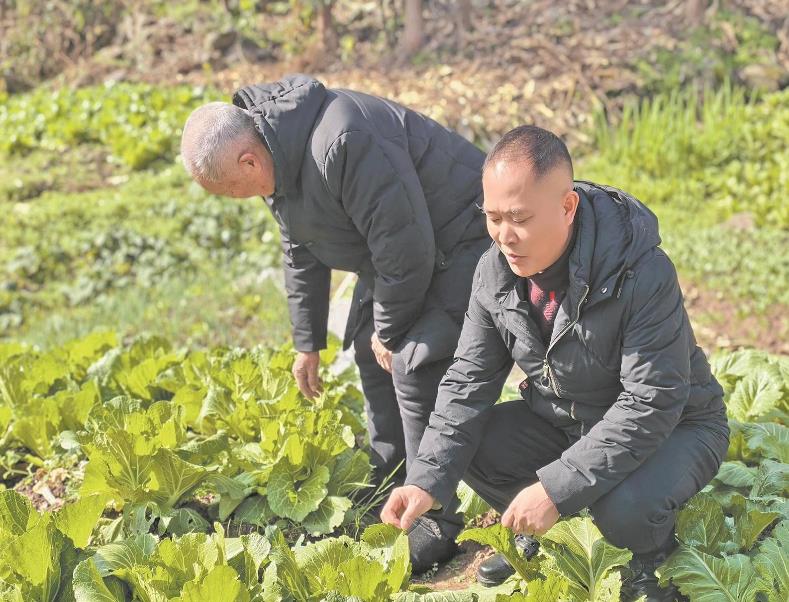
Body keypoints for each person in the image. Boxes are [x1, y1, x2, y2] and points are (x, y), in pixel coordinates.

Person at [380, 125, 730, 601]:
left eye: (519, 218)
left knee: (623, 507)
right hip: (570, 419)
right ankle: (550, 536)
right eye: (493, 217)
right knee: (473, 445)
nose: (504, 235)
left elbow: (652, 402)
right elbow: (468, 380)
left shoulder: (638, 270)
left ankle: (648, 562)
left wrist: (554, 489)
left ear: (567, 208)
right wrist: (426, 478)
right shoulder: (494, 272)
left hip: (679, 425)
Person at [180, 74, 490, 571]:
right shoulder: (275, 150)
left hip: (468, 238)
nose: (241, 198)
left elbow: (405, 247)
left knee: (411, 360)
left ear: (248, 161)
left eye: (235, 190)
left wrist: (393, 330)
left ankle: (436, 515)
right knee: (368, 349)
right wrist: (308, 342)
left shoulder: (342, 138)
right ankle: (391, 468)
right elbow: (299, 244)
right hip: (406, 252)